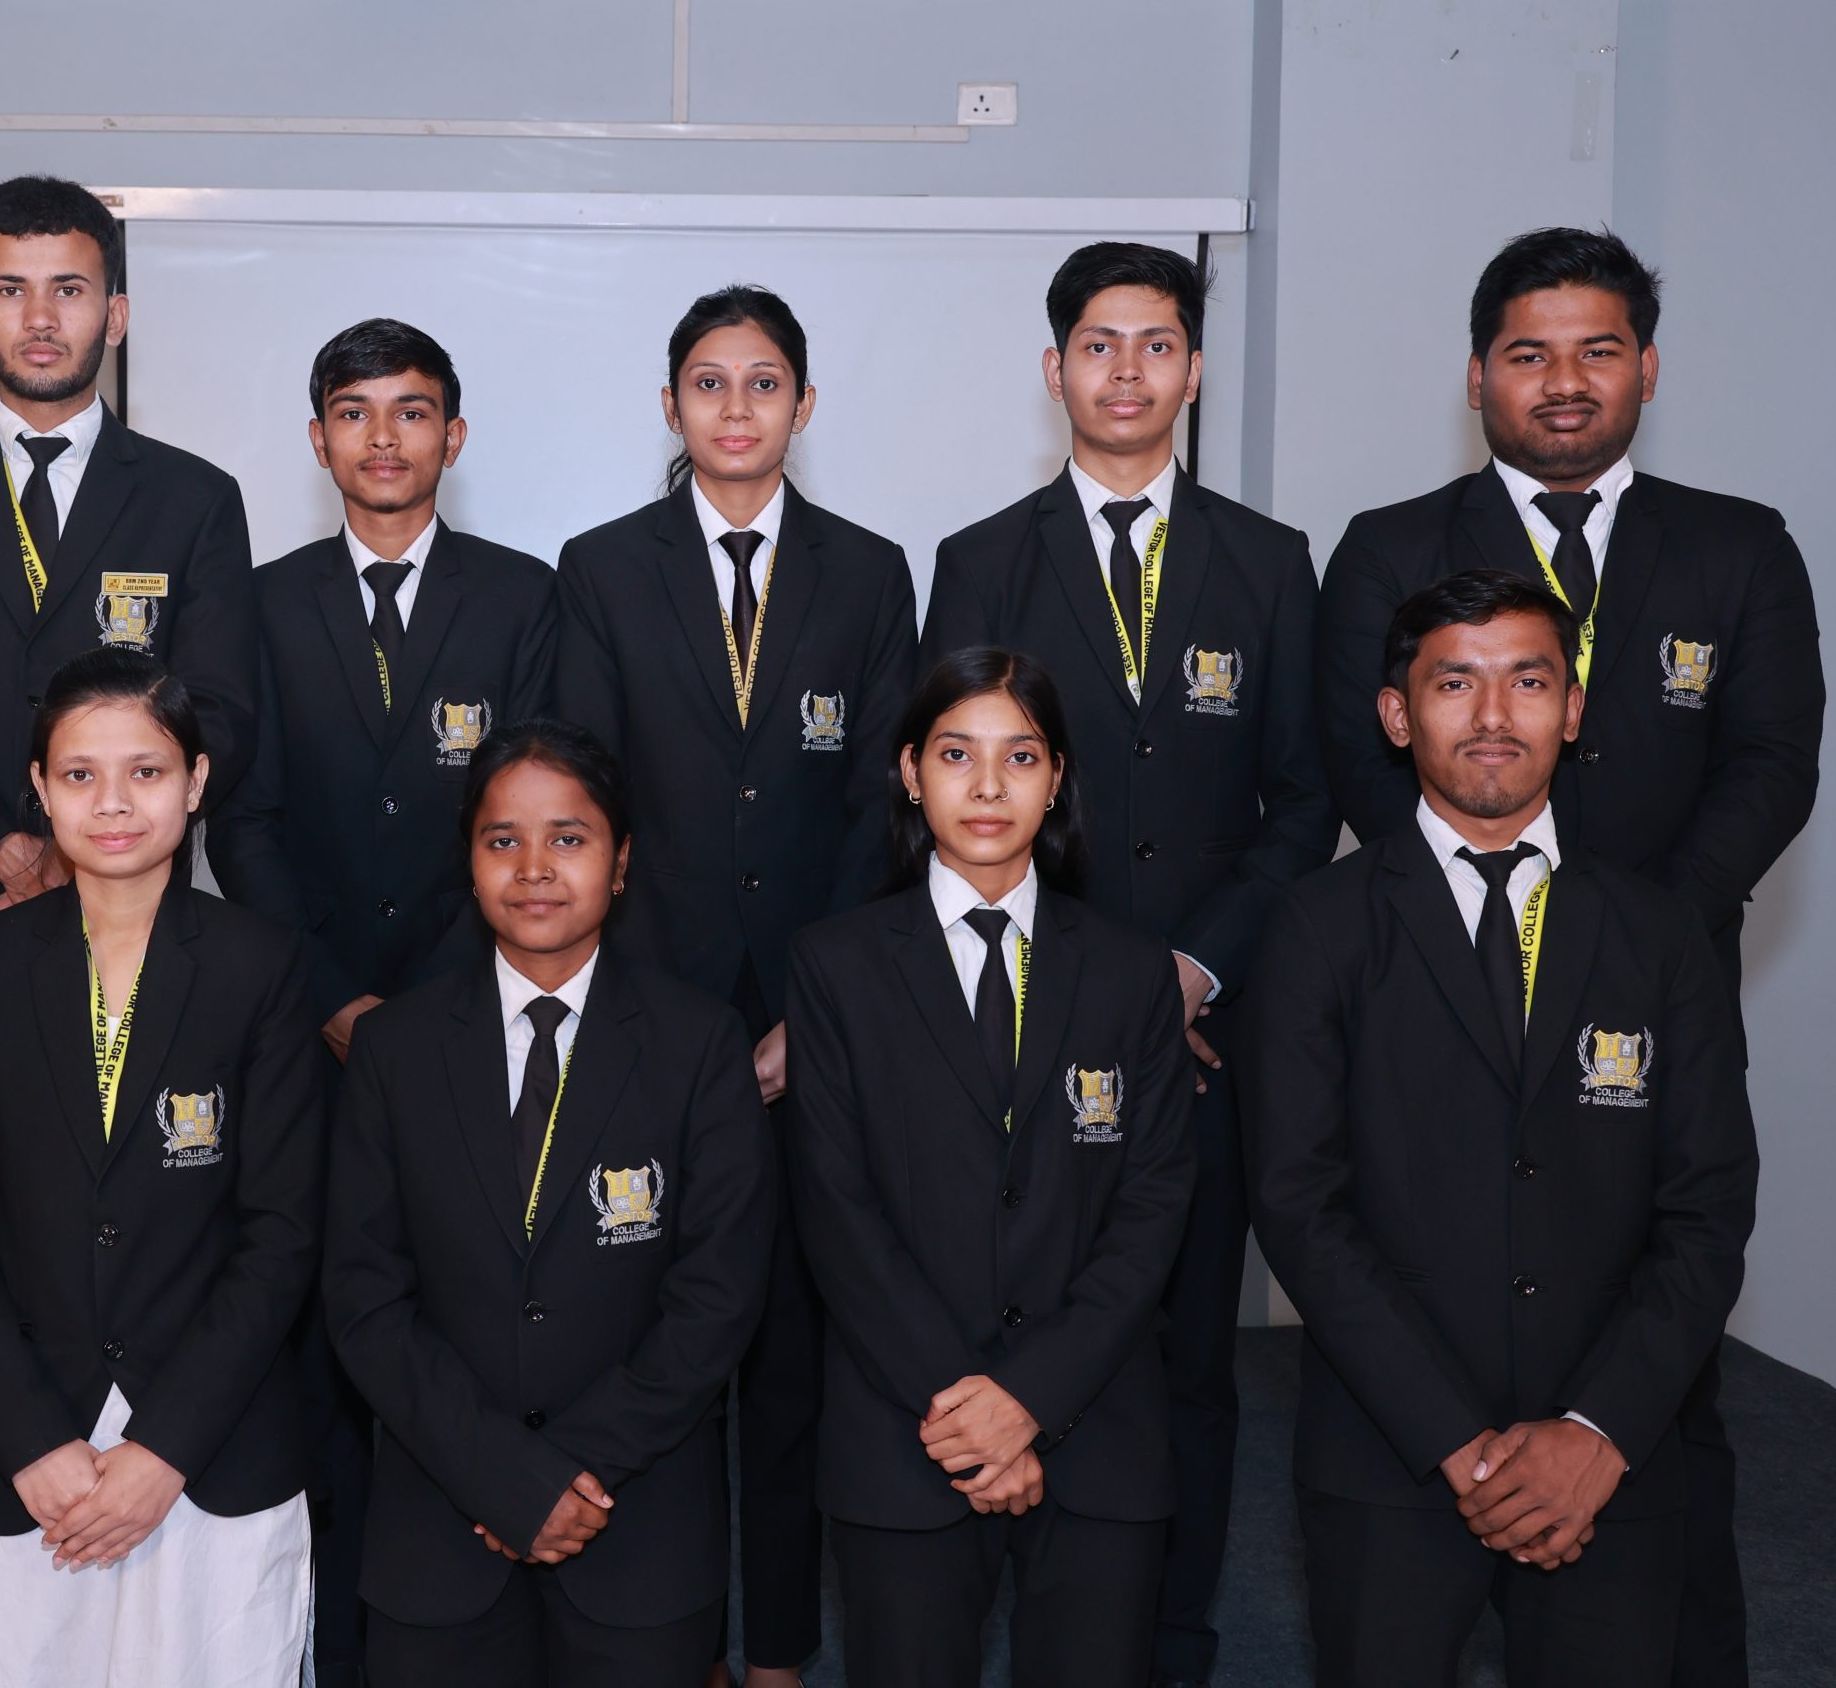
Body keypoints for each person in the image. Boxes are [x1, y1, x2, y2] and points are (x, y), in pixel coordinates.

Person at [1313, 228, 1817, 1685]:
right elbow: (1361, 756)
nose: (1566, 380)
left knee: (1661, 1353)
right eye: (1529, 352)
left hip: (1647, 1013)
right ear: (1477, 375)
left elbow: (1775, 761)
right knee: (1415, 1295)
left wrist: (1629, 934)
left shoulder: (1739, 546)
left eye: (1599, 348)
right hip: (1430, 995)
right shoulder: (1388, 545)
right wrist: (1485, 909)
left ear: (1648, 365)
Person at [917, 240, 1333, 1688]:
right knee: (1013, 1321)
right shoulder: (981, 560)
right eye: (1099, 344)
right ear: (1056, 370)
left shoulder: (1271, 562)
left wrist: (1193, 971)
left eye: (1158, 344)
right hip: (1022, 1026)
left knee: (1187, 1358)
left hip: (1205, 1033)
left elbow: (1306, 801)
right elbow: (963, 797)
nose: (1128, 371)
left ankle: (1173, 1639)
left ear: (1194, 370)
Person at [0, 172, 261, 1658]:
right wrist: (5, 849)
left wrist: (83, 855)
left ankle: (158, 1570)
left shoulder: (194, 496)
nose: (42, 314)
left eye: (70, 285)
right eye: (12, 286)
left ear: (118, 310)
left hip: (150, 934)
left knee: (156, 1249)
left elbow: (218, 707)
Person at [1248, 570, 1757, 1688]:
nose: (1492, 717)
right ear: (1396, 714)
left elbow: (1707, 1210)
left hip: (1609, 1466)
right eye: (1453, 683)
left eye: (1528, 681)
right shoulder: (1313, 929)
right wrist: (1454, 1443)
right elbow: (1295, 1202)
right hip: (1393, 1456)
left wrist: (1594, 1429)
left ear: (1572, 709)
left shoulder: (1660, 934)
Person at [554, 284, 915, 1686]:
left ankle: (774, 1647)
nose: (737, 407)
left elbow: (883, 802)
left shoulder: (870, 572)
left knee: (785, 1344)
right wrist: (677, 1013)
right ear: (671, 406)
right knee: (647, 1328)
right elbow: (583, 794)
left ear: (803, 407)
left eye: (764, 383)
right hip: (646, 1011)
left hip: (814, 1027)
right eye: (709, 382)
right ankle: (664, 1633)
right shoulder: (601, 566)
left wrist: (800, 1015)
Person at [207, 316, 557, 1684]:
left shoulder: (525, 598)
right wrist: (341, 995)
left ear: (452, 437)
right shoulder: (261, 599)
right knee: (323, 1313)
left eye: (413, 412)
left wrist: (429, 1008)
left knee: (466, 1307)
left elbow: (531, 820)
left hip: (472, 1017)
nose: (385, 437)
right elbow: (247, 818)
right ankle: (333, 1630)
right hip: (311, 1021)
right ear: (318, 440)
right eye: (355, 412)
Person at [0, 647, 323, 1687]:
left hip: (210, 1452)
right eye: (80, 774)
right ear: (39, 790)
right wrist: (37, 1439)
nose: (115, 801)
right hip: (22, 1457)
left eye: (146, 770)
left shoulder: (262, 967)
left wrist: (162, 1448)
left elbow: (282, 1233)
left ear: (198, 781)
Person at [326, 717, 775, 1688]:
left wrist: (561, 1475)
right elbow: (364, 1296)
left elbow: (718, 1296)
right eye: (502, 841)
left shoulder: (699, 1046)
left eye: (568, 838)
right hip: (441, 1537)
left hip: (636, 1532)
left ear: (620, 864)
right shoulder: (394, 1053)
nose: (534, 867)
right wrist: (498, 1475)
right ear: (468, 862)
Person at [785, 646, 1195, 1688]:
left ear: (1056, 778)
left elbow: (1150, 1209)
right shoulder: (833, 967)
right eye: (957, 755)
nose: (986, 786)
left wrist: (1028, 1399)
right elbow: (837, 1209)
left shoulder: (1129, 970)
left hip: (1095, 1423)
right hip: (902, 1426)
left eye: (1019, 757)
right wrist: (964, 1410)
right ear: (908, 770)